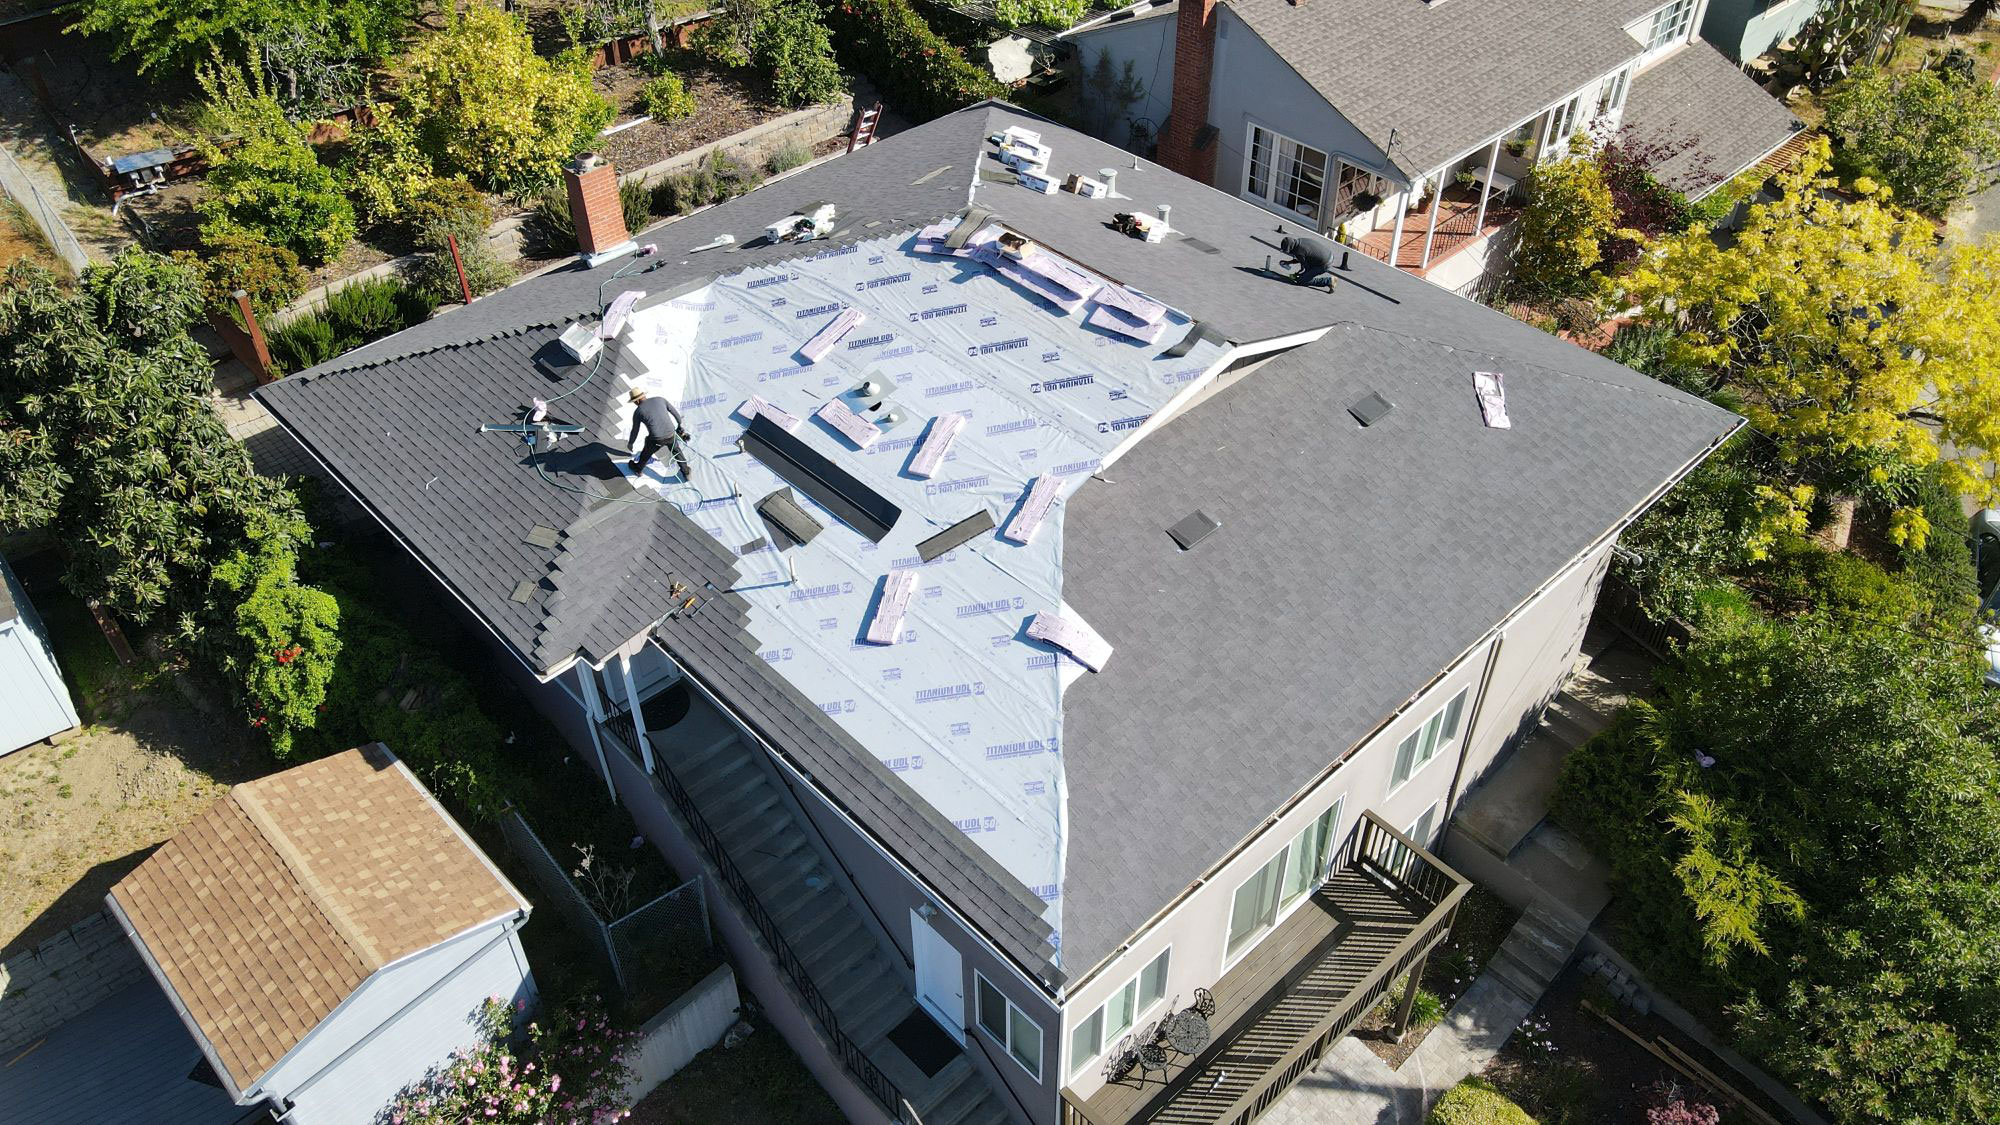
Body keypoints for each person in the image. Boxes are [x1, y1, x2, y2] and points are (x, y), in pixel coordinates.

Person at [626, 388, 692, 479]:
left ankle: (638, 469)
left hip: (656, 440)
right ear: (643, 395)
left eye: (634, 402)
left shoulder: (638, 412)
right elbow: (675, 413)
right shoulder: (660, 399)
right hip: (671, 434)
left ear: (637, 401)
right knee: (676, 451)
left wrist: (630, 443)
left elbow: (635, 430)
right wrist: (680, 427)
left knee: (646, 453)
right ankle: (686, 472)